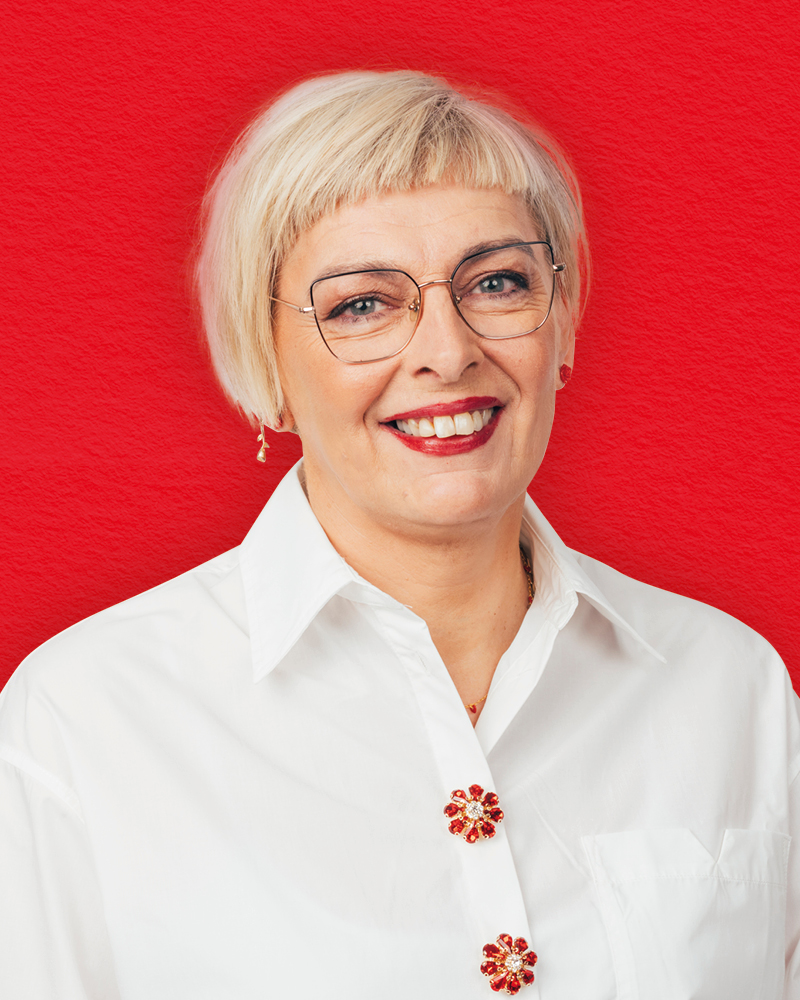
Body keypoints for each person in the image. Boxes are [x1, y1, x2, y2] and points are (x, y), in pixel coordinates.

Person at [0, 70, 797, 1000]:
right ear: (267, 361)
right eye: (362, 304)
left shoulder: (732, 687)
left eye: (497, 283)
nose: (448, 352)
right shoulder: (84, 720)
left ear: (563, 325)